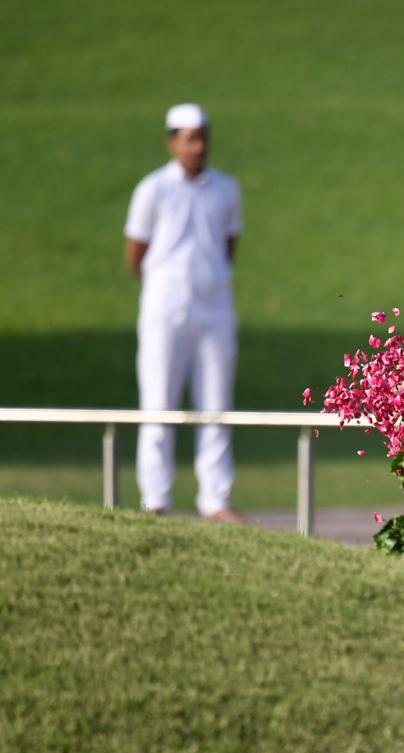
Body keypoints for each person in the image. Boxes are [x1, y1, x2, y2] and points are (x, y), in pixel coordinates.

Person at [124, 103, 241, 521]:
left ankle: (215, 498)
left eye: (203, 136)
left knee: (216, 403)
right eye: (189, 138)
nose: (198, 146)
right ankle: (154, 498)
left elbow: (228, 246)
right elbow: (135, 254)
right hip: (164, 308)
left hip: (214, 306)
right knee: (157, 400)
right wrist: (165, 286)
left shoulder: (227, 189)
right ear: (173, 142)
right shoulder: (152, 189)